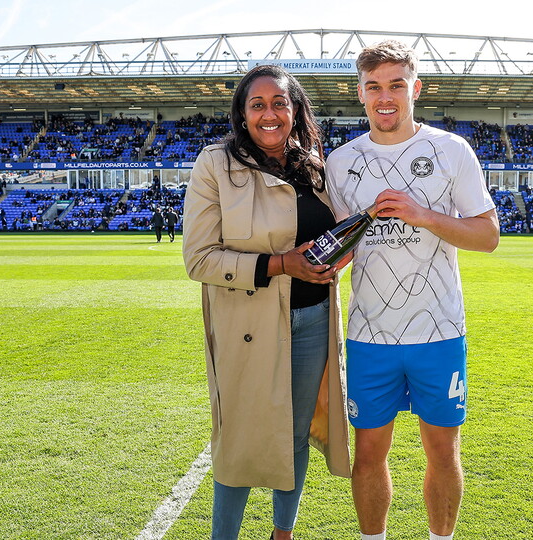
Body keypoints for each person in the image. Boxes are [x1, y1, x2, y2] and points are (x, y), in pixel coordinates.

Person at [325, 40, 500, 540]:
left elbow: (488, 235)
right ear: (360, 93)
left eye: (396, 85)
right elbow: (344, 244)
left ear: (415, 89)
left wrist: (423, 215)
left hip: (438, 332)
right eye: (374, 87)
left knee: (443, 451)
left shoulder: (451, 150)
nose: (385, 97)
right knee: (368, 453)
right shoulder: (341, 161)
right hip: (369, 335)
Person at [182, 64, 351, 540]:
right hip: (248, 323)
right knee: (238, 439)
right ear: (242, 113)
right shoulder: (215, 164)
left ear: (296, 111)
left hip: (314, 318)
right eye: (257, 104)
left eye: (280, 103)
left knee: (294, 433)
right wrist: (282, 264)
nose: (269, 113)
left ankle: (283, 532)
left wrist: (340, 254)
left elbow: (333, 234)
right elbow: (199, 259)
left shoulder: (314, 165)